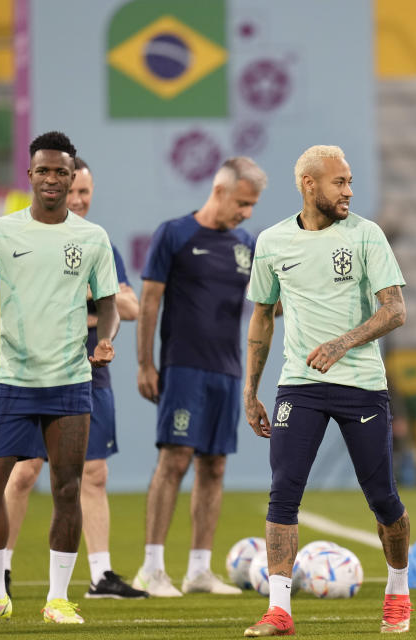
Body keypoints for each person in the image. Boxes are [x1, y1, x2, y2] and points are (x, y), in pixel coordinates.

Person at [0, 131, 120, 625]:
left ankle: (58, 599)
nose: (51, 178)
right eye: (42, 170)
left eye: (60, 172)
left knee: (67, 489)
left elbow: (107, 304)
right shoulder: (2, 231)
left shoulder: (91, 238)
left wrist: (106, 339)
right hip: (12, 382)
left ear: (71, 178)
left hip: (69, 381)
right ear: (30, 175)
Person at [243, 145, 412, 636]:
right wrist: (250, 390)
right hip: (300, 384)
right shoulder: (273, 242)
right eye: (339, 182)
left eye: (351, 180)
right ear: (309, 185)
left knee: (382, 498)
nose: (349, 191)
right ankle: (279, 610)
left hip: (361, 385)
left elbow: (396, 309)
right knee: (283, 493)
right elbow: (261, 316)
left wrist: (344, 342)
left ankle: (398, 590)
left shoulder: (366, 234)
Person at [2, 156, 146, 600]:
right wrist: (91, 298)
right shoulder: (25, 237)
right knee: (25, 471)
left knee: (94, 473)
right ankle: (0, 570)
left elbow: (130, 307)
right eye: (73, 190)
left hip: (89, 372)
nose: (79, 199)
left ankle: (100, 575)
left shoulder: (97, 243)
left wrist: (82, 292)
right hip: (36, 370)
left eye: (86, 193)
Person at [133, 156, 267, 598]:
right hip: (183, 367)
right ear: (220, 190)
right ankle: (151, 569)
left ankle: (198, 571)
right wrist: (145, 363)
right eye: (243, 203)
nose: (246, 213)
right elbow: (149, 301)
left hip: (227, 371)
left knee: (215, 466)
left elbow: (267, 304)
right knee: (174, 461)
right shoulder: (175, 234)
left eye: (252, 206)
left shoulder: (247, 243)